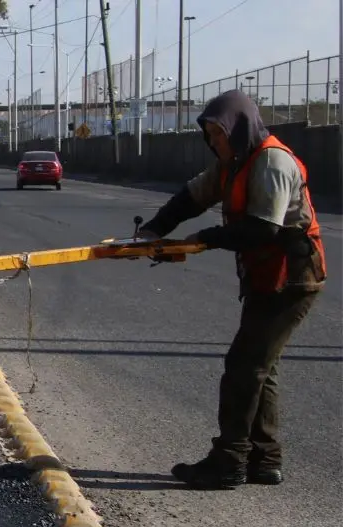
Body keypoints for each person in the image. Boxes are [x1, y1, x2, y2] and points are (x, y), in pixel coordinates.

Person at [136, 89, 326, 489]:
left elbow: (264, 228)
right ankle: (264, 459)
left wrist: (205, 237)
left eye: (219, 135)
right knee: (261, 366)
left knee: (243, 366)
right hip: (265, 274)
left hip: (292, 276)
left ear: (238, 129)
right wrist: (153, 231)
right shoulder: (231, 164)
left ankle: (229, 461)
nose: (214, 143)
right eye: (210, 136)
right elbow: (191, 198)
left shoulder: (272, 162)